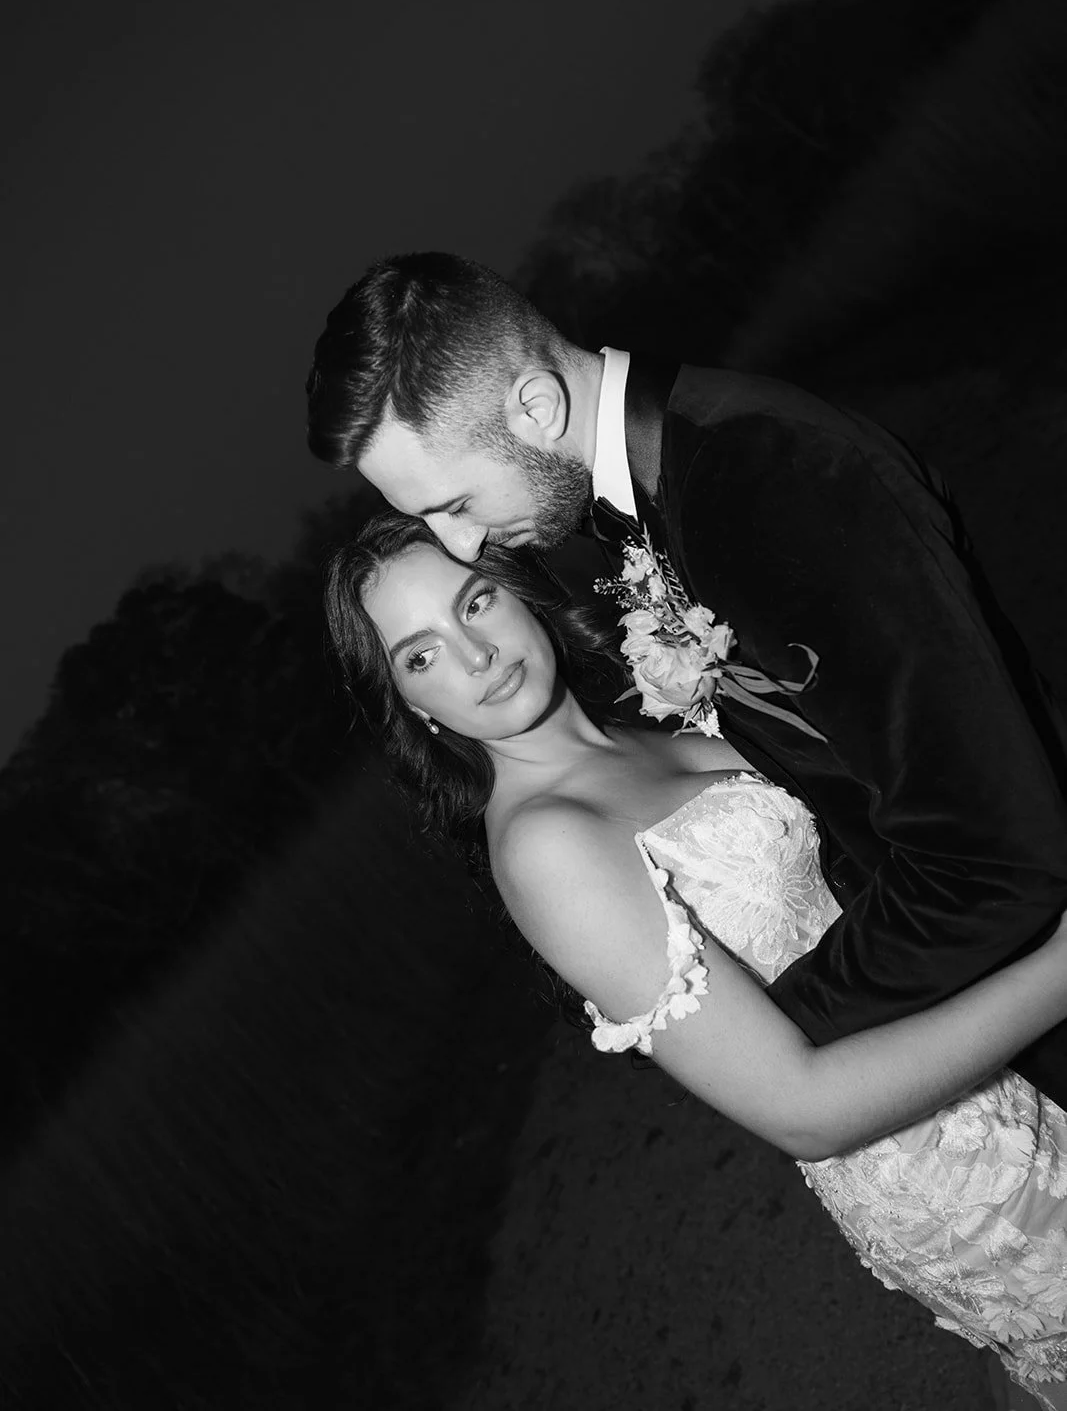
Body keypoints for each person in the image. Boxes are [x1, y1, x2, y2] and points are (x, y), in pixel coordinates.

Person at [324, 510, 1067, 1406]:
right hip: (938, 1160)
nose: (475, 654)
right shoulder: (545, 846)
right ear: (412, 704)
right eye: (421, 653)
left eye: (474, 601)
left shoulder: (650, 721)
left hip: (995, 1051)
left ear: (517, 593)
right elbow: (804, 1113)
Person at [305, 251, 1067, 1119]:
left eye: (454, 504)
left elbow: (987, 849)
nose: (464, 543)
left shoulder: (763, 478)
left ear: (534, 405)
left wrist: (769, 1039)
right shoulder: (657, 493)